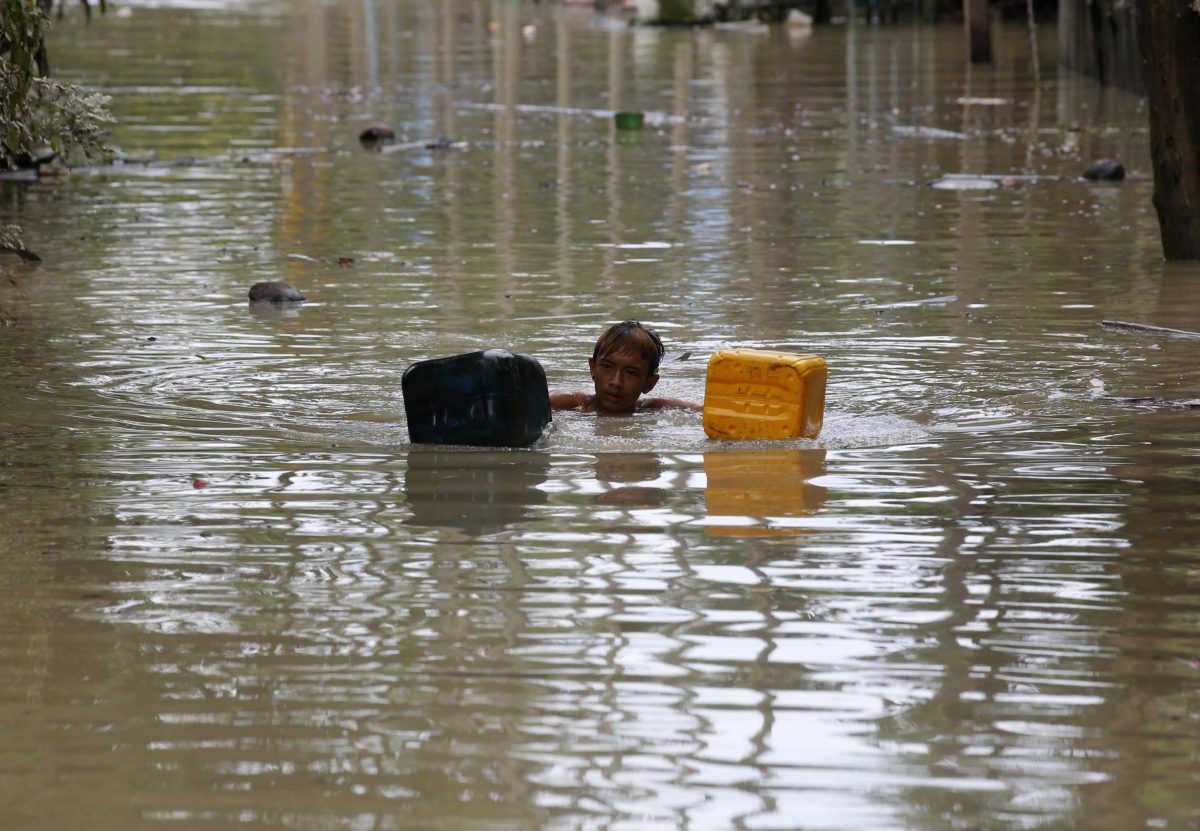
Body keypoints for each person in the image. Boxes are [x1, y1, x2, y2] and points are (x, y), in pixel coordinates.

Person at [550, 320, 701, 415]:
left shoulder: (653, 409)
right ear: (593, 368)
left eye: (631, 373)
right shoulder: (568, 404)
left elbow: (702, 410)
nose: (616, 382)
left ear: (650, 383)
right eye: (607, 366)